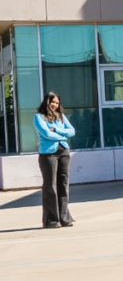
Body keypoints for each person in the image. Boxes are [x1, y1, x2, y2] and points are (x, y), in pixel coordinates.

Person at [34, 92, 75, 229]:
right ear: (47, 101)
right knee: (50, 186)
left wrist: (57, 129)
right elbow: (46, 134)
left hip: (64, 151)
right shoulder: (39, 117)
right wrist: (62, 135)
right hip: (48, 155)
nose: (55, 105)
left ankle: (64, 217)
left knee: (63, 184)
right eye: (53, 102)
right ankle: (52, 220)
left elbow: (72, 131)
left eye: (57, 103)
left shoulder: (61, 117)